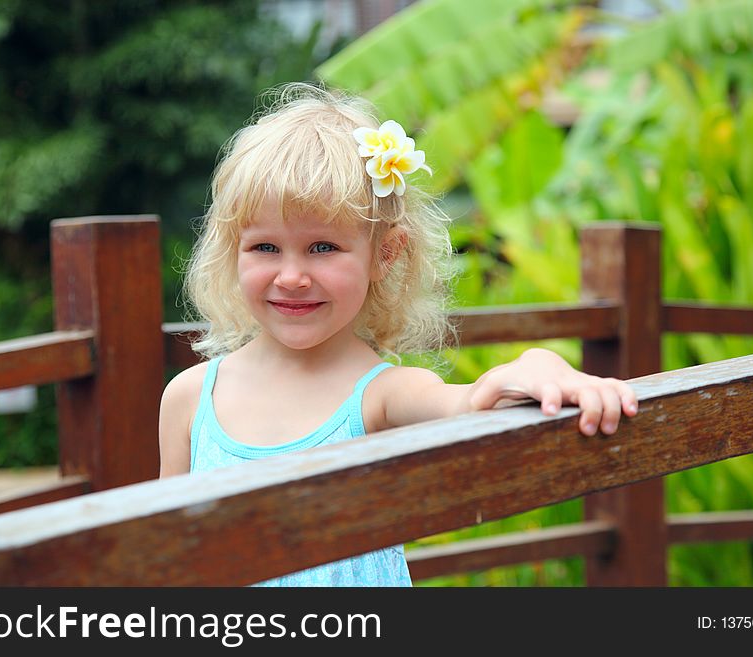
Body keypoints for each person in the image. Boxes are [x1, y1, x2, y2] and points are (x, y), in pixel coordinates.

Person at [158, 82, 637, 586]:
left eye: (322, 247)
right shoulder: (190, 399)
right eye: (265, 247)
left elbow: (469, 402)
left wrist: (540, 364)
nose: (291, 275)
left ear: (384, 254)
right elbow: (163, 553)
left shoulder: (381, 396)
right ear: (234, 249)